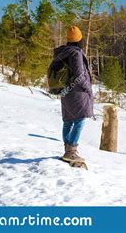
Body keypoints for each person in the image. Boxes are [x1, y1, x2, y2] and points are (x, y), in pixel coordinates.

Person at [50, 26, 94, 162]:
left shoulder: (63, 52)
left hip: (66, 91)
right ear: (79, 39)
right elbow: (79, 75)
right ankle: (71, 151)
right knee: (80, 119)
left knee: (68, 120)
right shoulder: (76, 53)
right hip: (77, 92)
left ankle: (67, 150)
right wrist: (88, 88)